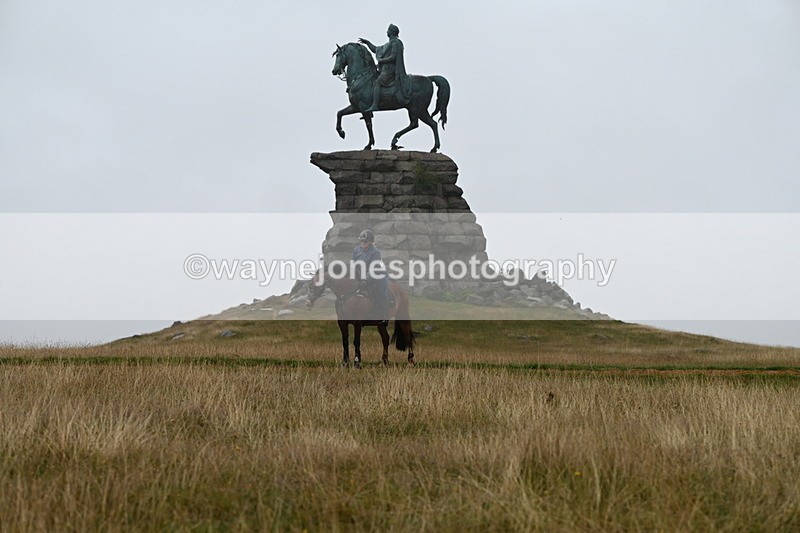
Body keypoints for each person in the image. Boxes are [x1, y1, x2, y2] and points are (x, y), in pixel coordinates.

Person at [358, 24, 413, 112]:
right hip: (384, 70)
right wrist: (367, 42)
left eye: (388, 30)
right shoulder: (388, 44)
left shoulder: (396, 43)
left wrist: (382, 60)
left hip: (390, 71)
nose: (387, 32)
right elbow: (376, 49)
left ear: (391, 32)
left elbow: (394, 57)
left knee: (377, 83)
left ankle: (375, 105)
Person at [352, 229, 393, 322]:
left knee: (381, 291)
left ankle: (383, 314)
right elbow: (354, 264)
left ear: (370, 242)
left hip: (377, 274)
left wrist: (365, 280)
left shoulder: (375, 252)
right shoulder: (356, 250)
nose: (363, 243)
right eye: (361, 241)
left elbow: (373, 269)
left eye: (365, 241)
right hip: (362, 274)